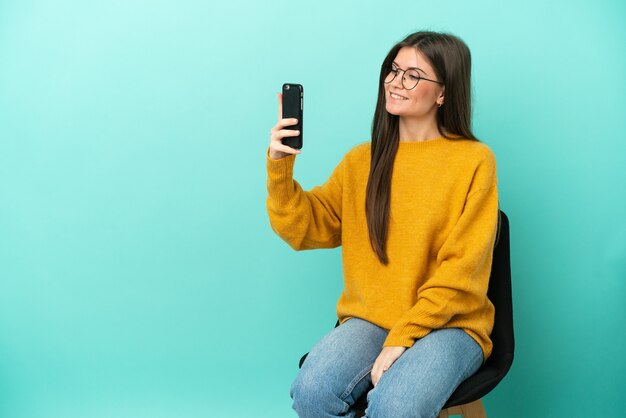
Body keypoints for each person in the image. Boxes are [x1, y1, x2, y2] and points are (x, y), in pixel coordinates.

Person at [266, 30, 500, 418]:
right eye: (392, 71)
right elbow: (304, 228)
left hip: (451, 325)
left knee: (395, 406)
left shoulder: (474, 161)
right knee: (311, 391)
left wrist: (403, 338)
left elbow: (462, 271)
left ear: (443, 93)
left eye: (413, 75)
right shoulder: (362, 161)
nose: (396, 82)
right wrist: (280, 166)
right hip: (372, 319)